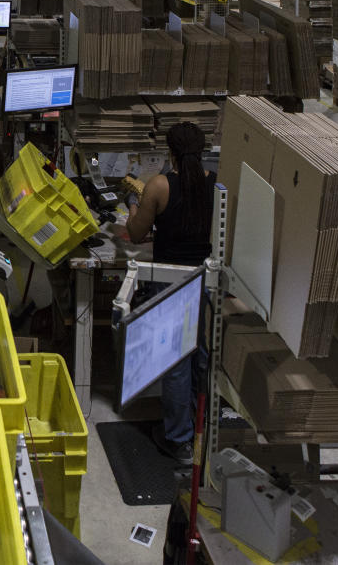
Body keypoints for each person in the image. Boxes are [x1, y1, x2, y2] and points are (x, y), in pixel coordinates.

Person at [123, 122, 216, 466]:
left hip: (170, 279)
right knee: (201, 355)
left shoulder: (160, 185)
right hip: (205, 278)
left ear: (170, 151)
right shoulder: (214, 182)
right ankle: (200, 429)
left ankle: (177, 439)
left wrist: (134, 203)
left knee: (176, 361)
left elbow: (135, 233)